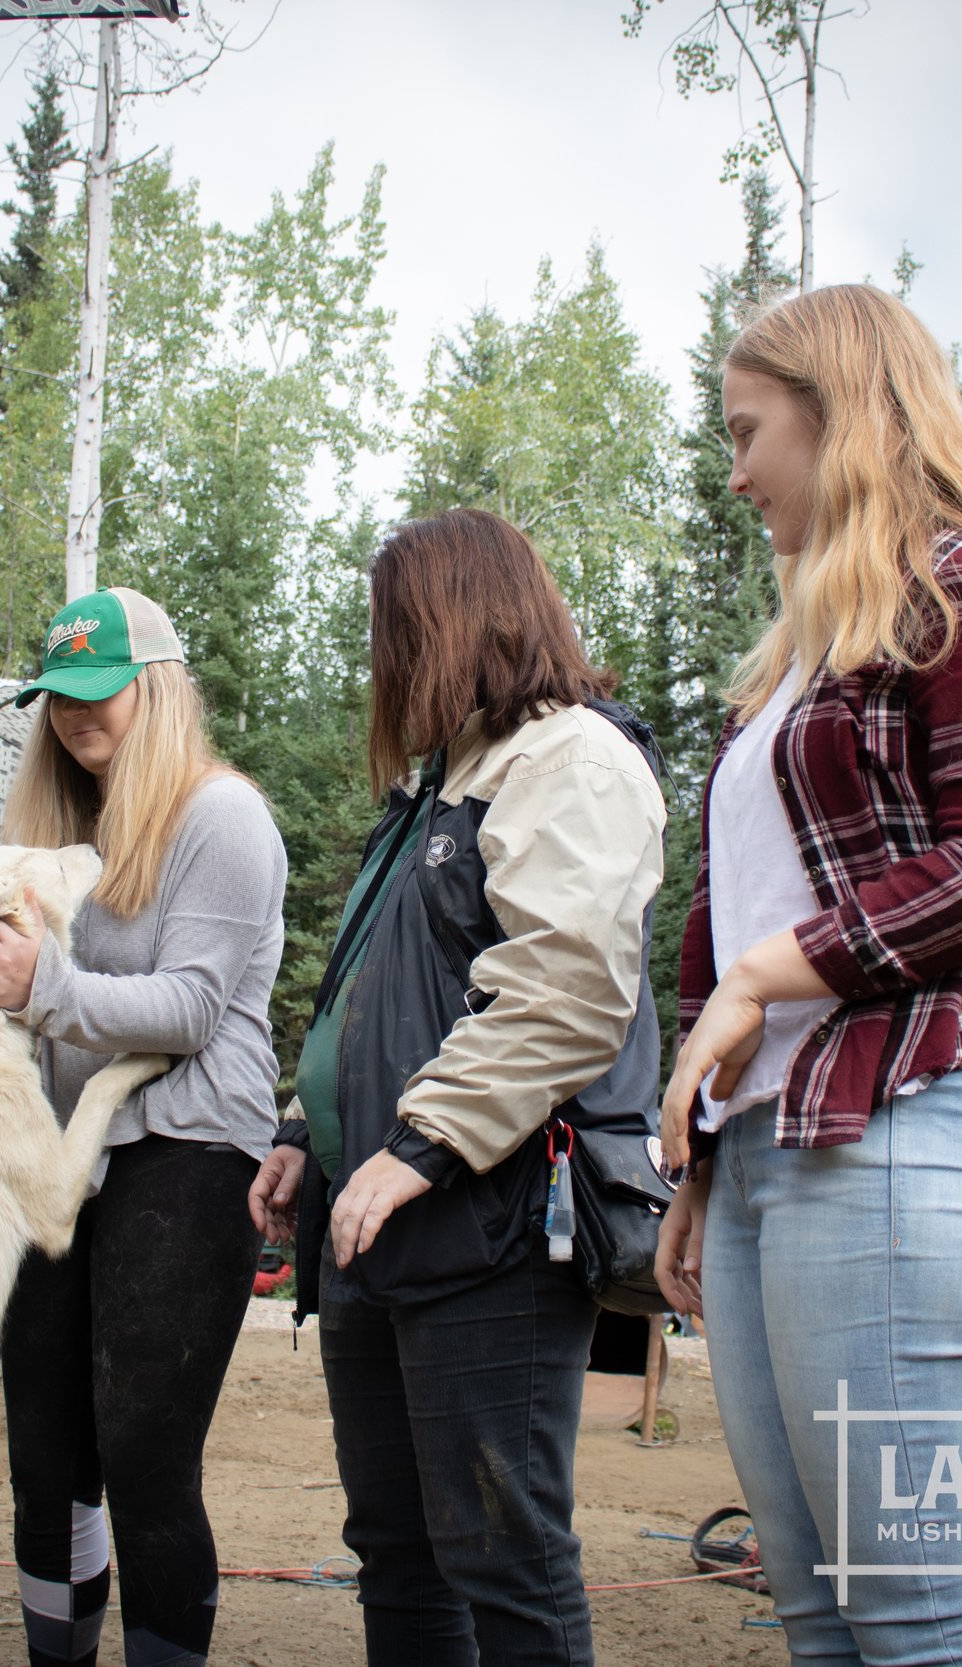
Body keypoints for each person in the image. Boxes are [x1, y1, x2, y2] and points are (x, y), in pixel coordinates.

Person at [652, 283, 962, 1665]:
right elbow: (728, 921)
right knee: (821, 1618)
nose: (733, 474)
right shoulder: (790, 662)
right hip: (773, 1161)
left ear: (837, 415)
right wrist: (709, 1166)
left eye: (746, 431)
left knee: (915, 1618)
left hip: (903, 1136)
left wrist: (770, 972)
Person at [247, 508, 666, 1667]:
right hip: (375, 1215)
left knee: (503, 1552)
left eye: (398, 630)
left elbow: (564, 985)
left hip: (491, 1223)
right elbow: (369, 988)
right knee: (397, 1545)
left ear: (460, 621)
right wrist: (306, 1127)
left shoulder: (573, 758)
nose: (385, 662)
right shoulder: (442, 781)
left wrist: (420, 1143)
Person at [0, 587, 287, 1667]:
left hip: (185, 1154)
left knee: (143, 1461)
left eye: (100, 690)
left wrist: (41, 983)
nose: (76, 714)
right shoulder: (55, 833)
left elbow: (188, 1008)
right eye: (59, 696)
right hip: (60, 1163)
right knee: (45, 1457)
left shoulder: (220, 814)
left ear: (158, 686)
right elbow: (26, 1015)